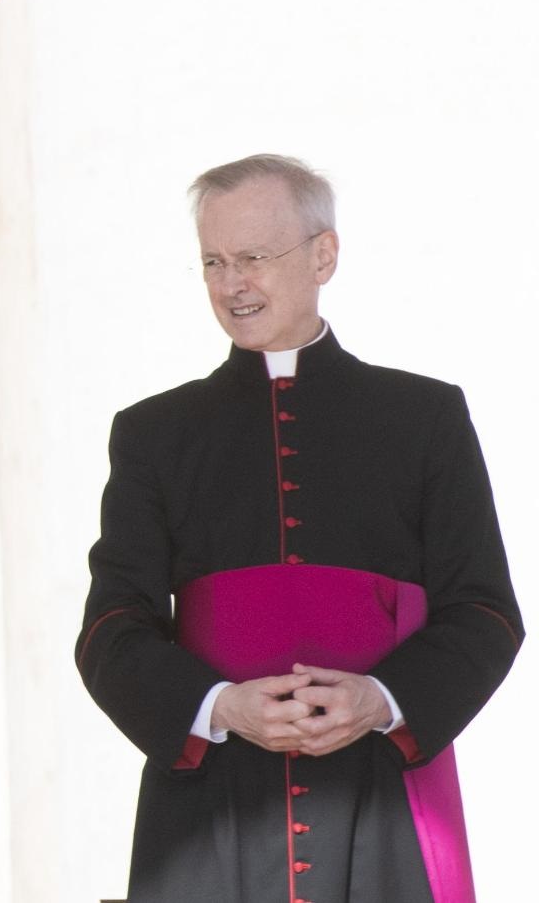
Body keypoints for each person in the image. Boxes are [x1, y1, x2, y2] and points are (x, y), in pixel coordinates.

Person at [78, 153, 518, 903]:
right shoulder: (155, 433)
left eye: (253, 257)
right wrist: (220, 707)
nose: (231, 284)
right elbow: (112, 629)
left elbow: (483, 611)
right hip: (209, 806)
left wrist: (382, 699)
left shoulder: (423, 419)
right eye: (213, 262)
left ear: (324, 255)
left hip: (380, 794)